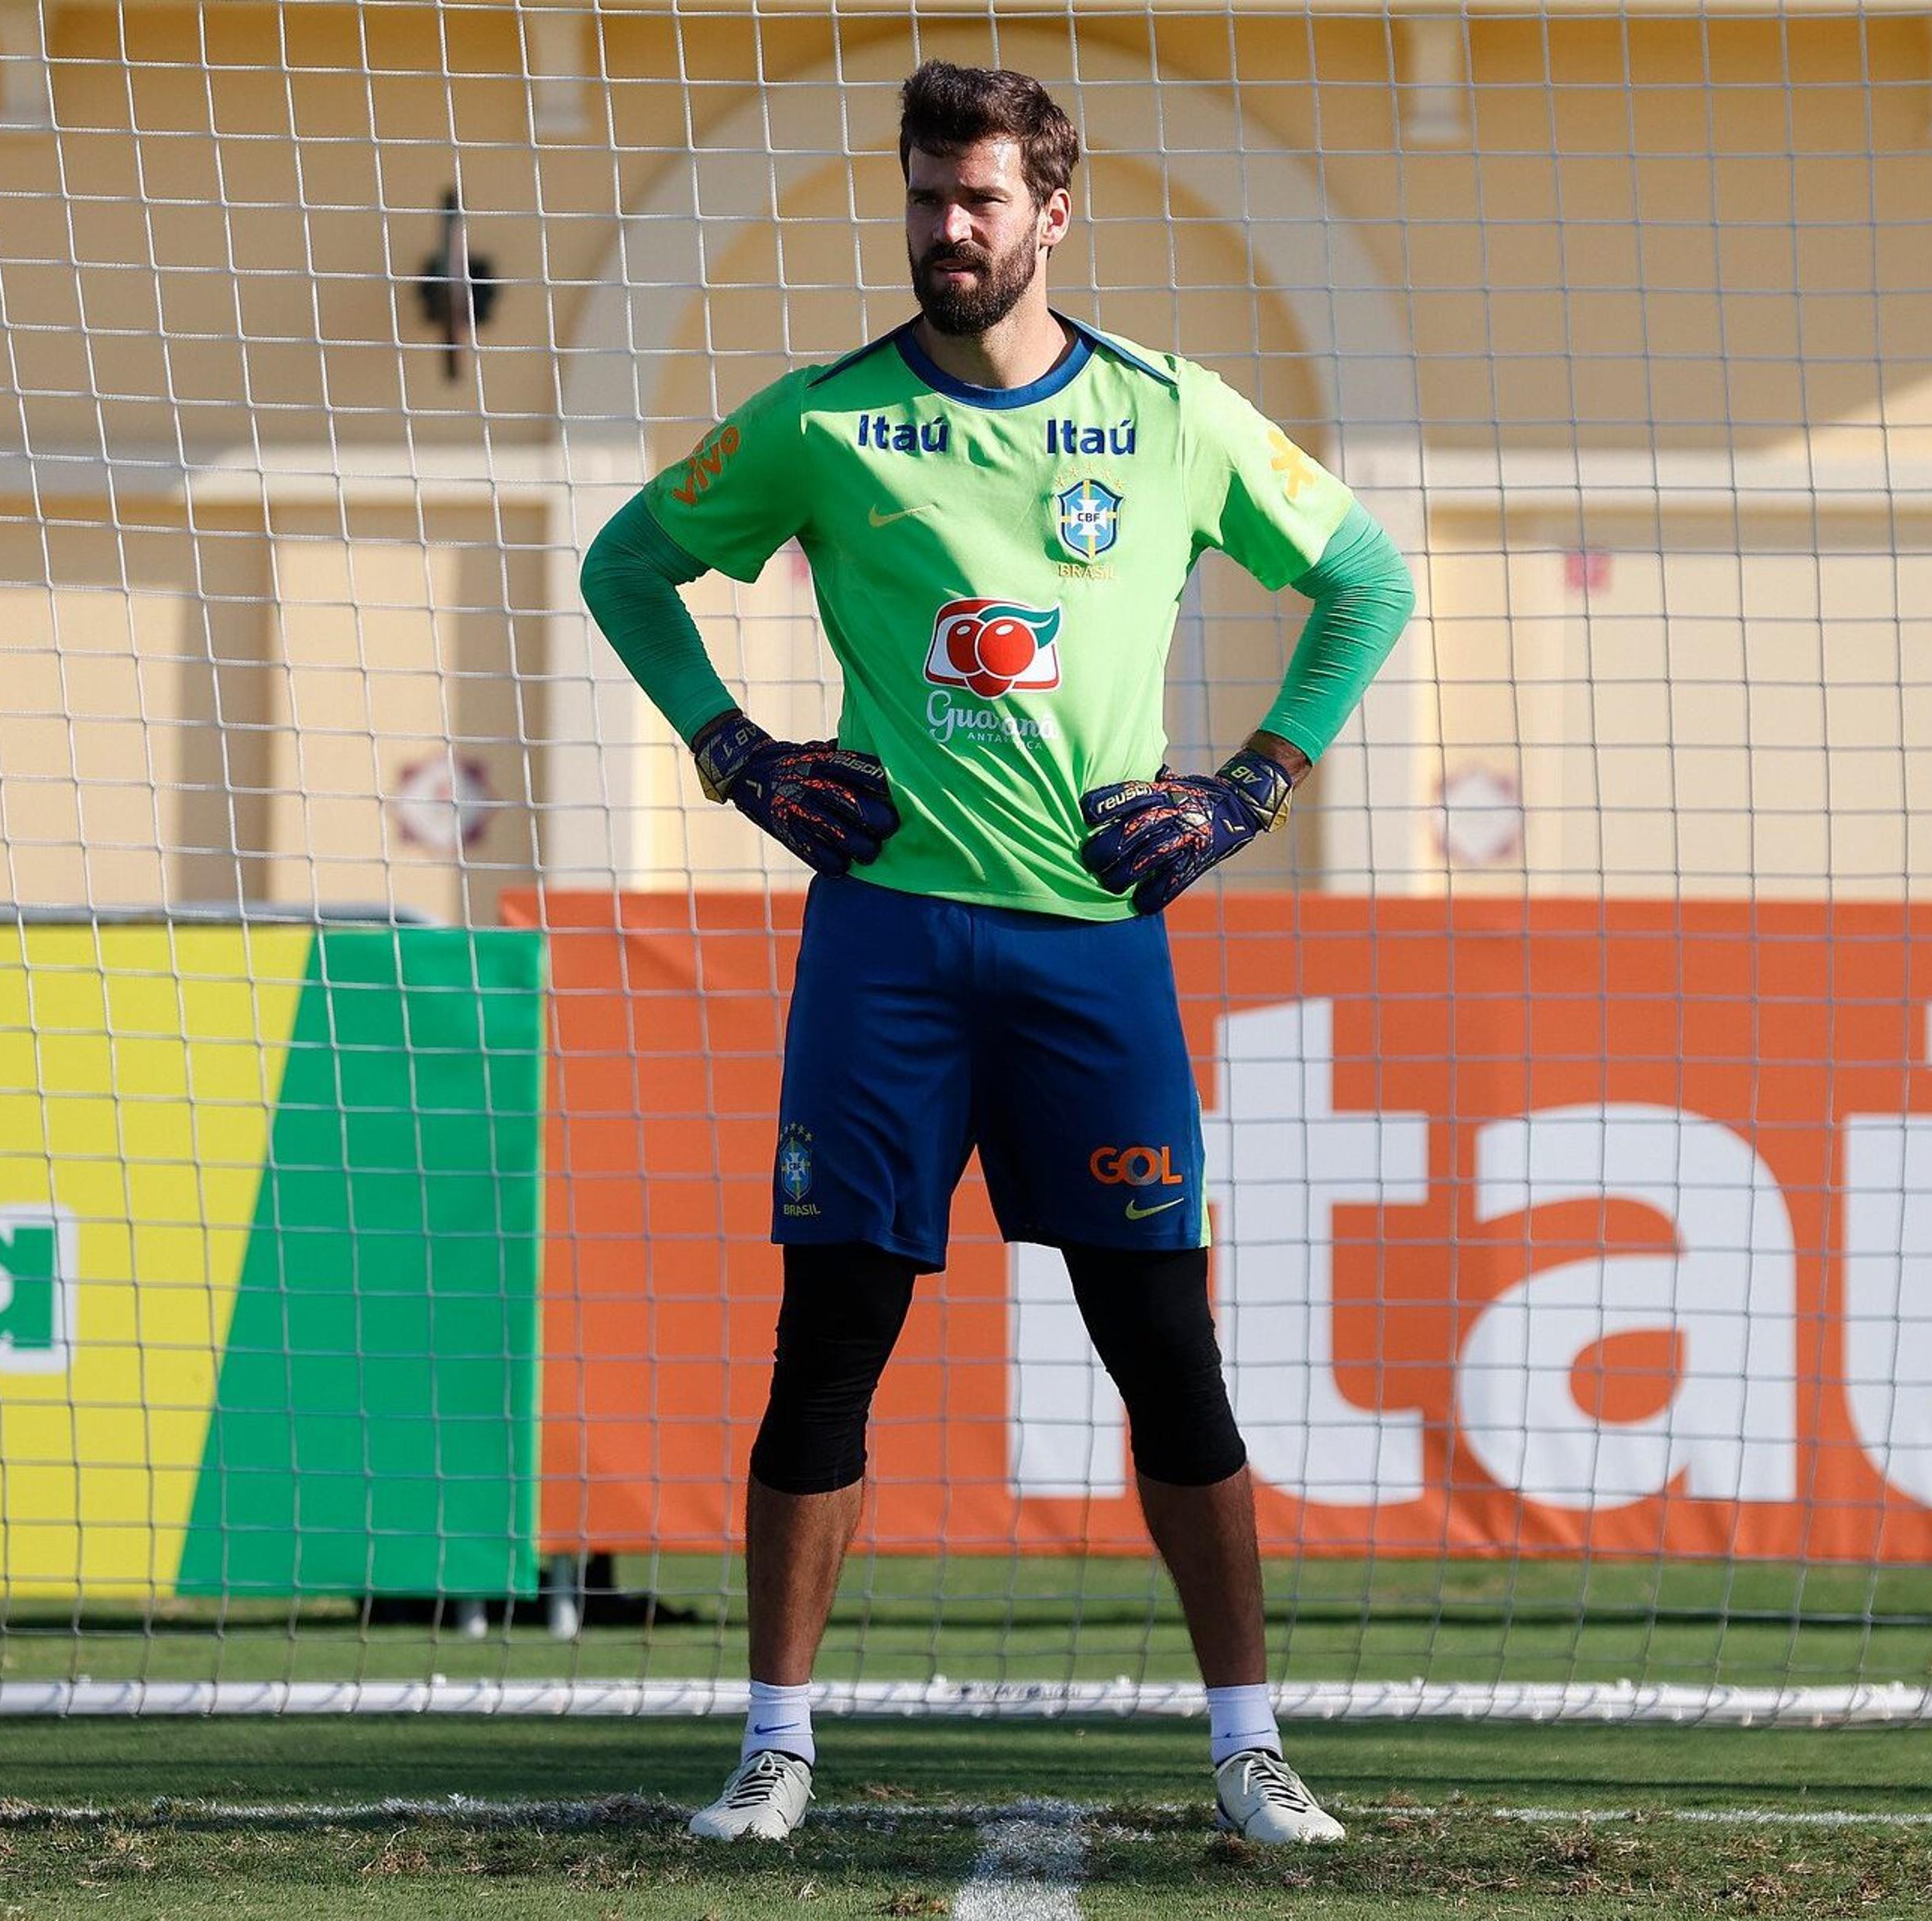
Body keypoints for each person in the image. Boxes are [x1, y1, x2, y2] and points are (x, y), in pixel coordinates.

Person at [579, 58, 1414, 1847]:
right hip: (886, 946)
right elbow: (625, 567)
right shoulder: (821, 422)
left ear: (1055, 208)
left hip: (1096, 953)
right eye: (921, 197)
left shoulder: (1176, 416)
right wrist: (735, 755)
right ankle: (777, 1745)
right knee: (829, 1346)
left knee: (1166, 1358)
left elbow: (1367, 582)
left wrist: (1252, 787)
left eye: (978, 201)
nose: (944, 231)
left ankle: (1250, 1746)